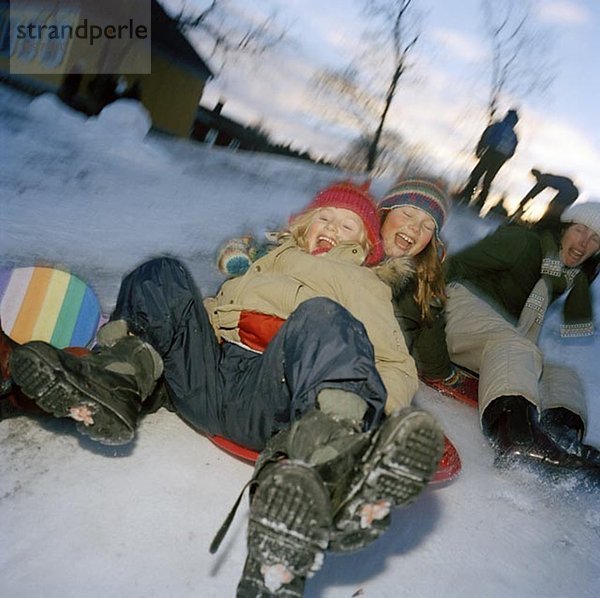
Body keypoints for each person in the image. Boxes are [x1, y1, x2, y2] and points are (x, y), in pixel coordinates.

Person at [8, 181, 444, 596]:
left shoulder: (364, 283)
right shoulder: (268, 261)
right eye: (324, 218)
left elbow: (391, 364)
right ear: (304, 224)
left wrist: (372, 414)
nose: (331, 229)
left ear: (366, 245)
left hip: (275, 400)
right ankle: (115, 385)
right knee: (162, 272)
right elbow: (214, 311)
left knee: (323, 318)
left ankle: (328, 456)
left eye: (346, 225)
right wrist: (165, 321)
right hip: (206, 379)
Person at [444, 201, 600, 473]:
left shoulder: (563, 277)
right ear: (563, 228)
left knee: (560, 374)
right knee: (517, 346)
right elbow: (452, 266)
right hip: (455, 305)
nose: (584, 242)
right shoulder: (523, 242)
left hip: (492, 335)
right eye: (579, 229)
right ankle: (517, 437)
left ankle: (560, 436)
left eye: (595, 238)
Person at [374, 177, 477, 400]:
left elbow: (428, 337)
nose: (415, 227)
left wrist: (440, 373)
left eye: (428, 225)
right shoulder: (350, 242)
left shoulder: (422, 281)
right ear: (384, 213)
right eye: (408, 214)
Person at [458, 109, 519, 209]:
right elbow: (512, 152)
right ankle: (480, 202)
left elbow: (486, 136)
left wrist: (479, 150)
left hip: (491, 152)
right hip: (501, 158)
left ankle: (467, 195)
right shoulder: (514, 135)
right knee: (488, 180)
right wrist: (503, 158)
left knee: (477, 173)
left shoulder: (498, 125)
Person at [511, 168, 579, 229]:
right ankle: (548, 225)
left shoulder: (543, 179)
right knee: (555, 208)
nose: (536, 180)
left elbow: (532, 193)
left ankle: (543, 226)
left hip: (568, 193)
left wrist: (522, 204)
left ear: (536, 175)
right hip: (573, 193)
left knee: (552, 208)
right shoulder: (548, 177)